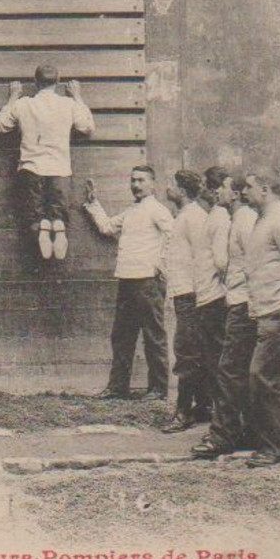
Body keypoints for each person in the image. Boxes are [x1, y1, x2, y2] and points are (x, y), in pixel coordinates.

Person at [83, 165, 172, 401]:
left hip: (148, 282)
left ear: (153, 184)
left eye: (141, 180)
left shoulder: (158, 210)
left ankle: (158, 389)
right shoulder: (132, 211)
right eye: (133, 180)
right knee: (122, 336)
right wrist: (94, 204)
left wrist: (159, 266)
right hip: (127, 280)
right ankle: (117, 388)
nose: (136, 185)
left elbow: (173, 238)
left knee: (153, 336)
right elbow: (107, 226)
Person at [0, 64, 94, 260]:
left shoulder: (23, 104)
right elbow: (87, 127)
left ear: (35, 82)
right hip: (60, 170)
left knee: (33, 216)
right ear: (57, 82)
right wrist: (77, 96)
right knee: (59, 212)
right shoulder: (68, 104)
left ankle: (41, 227)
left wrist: (13, 96)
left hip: (31, 170)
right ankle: (58, 224)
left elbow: (0, 126)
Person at [192, 173, 258, 458]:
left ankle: (222, 437)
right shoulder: (235, 219)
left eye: (222, 187)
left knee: (230, 371)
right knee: (237, 371)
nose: (217, 191)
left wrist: (234, 286)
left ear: (236, 194)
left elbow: (248, 264)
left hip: (243, 305)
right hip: (239, 303)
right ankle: (243, 431)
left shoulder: (243, 220)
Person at [241, 170, 280, 468]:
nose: (243, 192)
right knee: (276, 380)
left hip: (279, 313)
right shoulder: (262, 218)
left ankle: (272, 447)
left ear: (264, 189)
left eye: (248, 187)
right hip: (265, 312)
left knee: (262, 377)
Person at [161, 170, 210, 434]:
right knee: (191, 351)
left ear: (182, 190)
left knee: (186, 353)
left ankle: (184, 412)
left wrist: (195, 294)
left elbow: (203, 258)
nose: (168, 187)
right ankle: (201, 407)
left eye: (172, 184)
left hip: (192, 295)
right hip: (183, 294)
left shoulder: (194, 217)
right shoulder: (184, 216)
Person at [193, 166, 230, 414]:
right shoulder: (220, 218)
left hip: (208, 294)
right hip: (215, 295)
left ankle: (218, 410)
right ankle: (220, 410)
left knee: (212, 355)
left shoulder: (214, 217)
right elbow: (222, 262)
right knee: (217, 356)